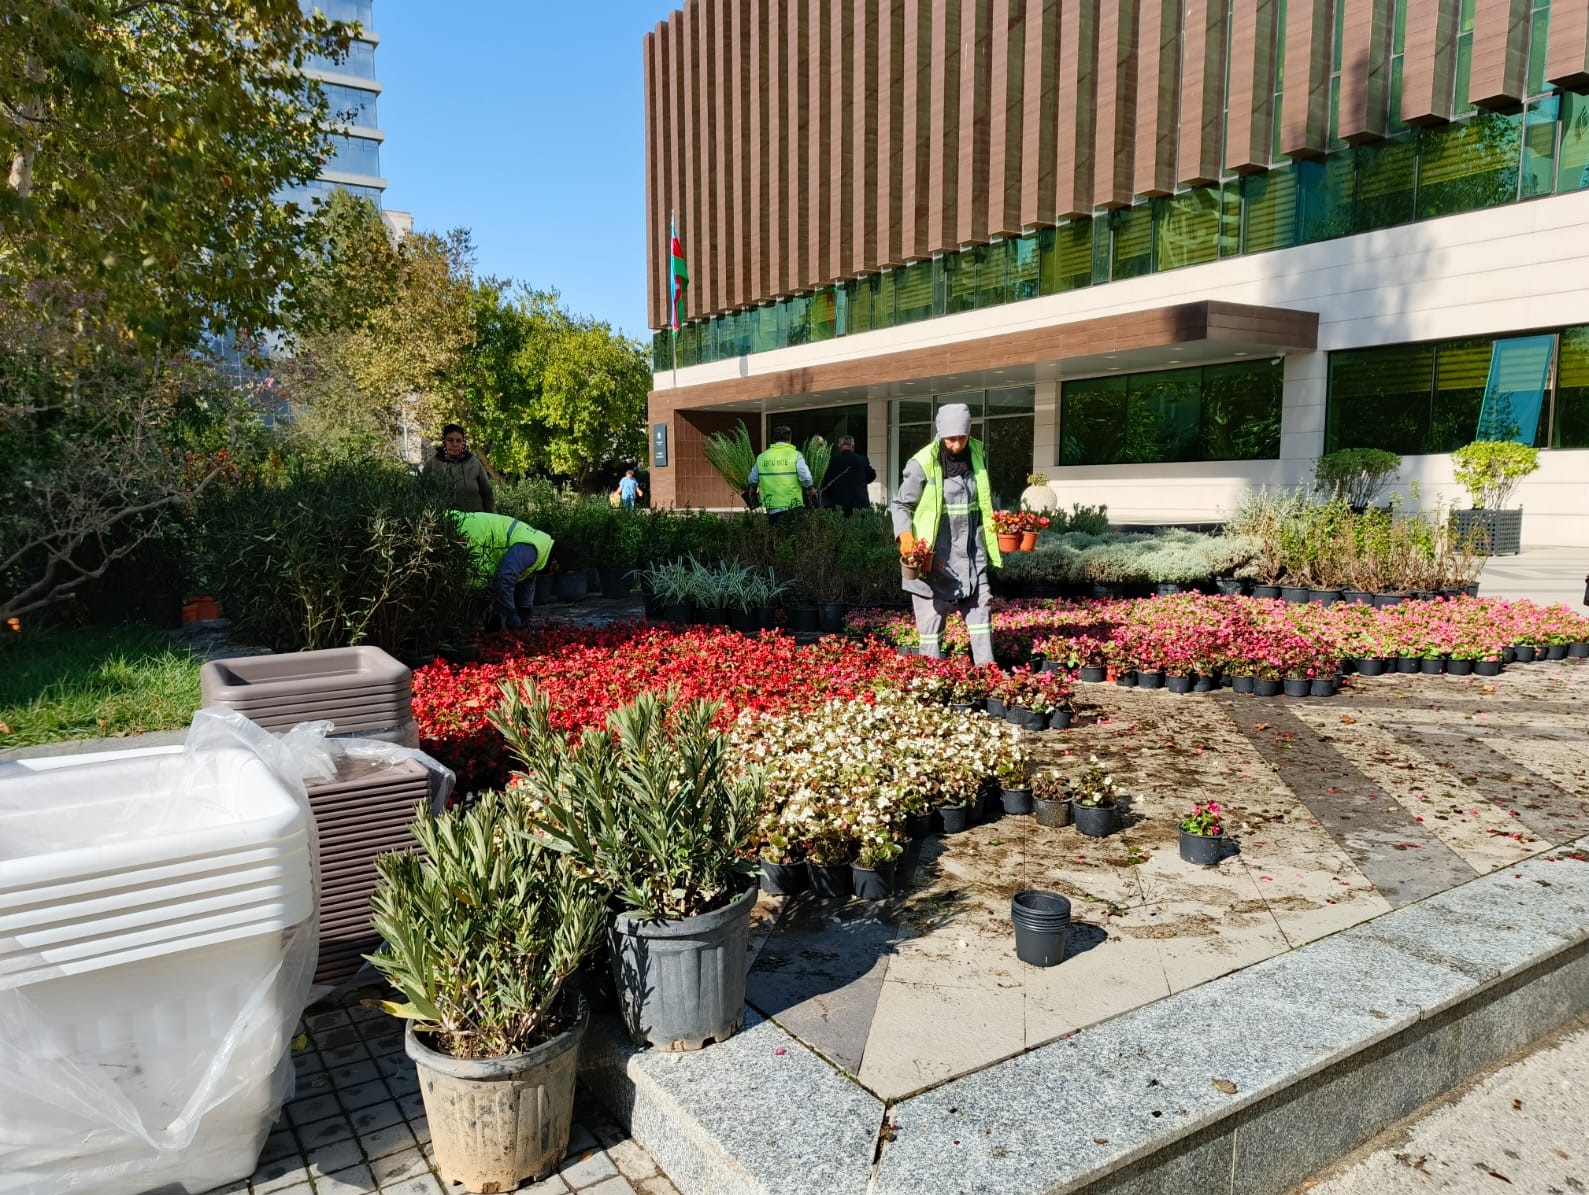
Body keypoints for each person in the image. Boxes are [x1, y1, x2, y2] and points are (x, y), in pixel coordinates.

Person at [890, 403, 1001, 667]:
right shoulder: (922, 463)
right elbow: (901, 504)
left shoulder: (977, 452)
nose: (956, 445)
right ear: (940, 434)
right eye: (951, 439)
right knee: (931, 616)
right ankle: (931, 675)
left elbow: (983, 499)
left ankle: (987, 670)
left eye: (961, 437)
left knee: (980, 606)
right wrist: (905, 536)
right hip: (933, 554)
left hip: (971, 550)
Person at [453, 511, 556, 631]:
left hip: (474, 533)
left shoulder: (541, 547)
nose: (552, 573)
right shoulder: (531, 548)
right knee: (472, 592)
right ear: (555, 563)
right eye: (554, 570)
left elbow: (526, 580)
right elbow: (504, 578)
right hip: (463, 530)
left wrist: (524, 613)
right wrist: (510, 614)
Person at [748, 425, 813, 525]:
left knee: (776, 537)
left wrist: (753, 489)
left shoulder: (762, 457)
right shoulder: (795, 455)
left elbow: (752, 480)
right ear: (789, 439)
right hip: (793, 506)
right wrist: (810, 489)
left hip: (771, 508)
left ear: (774, 439)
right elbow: (806, 478)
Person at [423, 424, 495, 513]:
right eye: (450, 440)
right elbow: (422, 494)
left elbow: (487, 494)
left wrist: (490, 516)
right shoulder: (432, 464)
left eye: (459, 441)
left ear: (463, 442)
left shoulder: (474, 463)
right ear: (444, 441)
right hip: (444, 521)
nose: (455, 444)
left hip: (475, 520)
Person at [824, 434, 876, 516]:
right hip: (859, 504)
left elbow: (826, 482)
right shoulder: (862, 459)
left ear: (839, 446)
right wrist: (860, 482)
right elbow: (872, 475)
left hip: (838, 505)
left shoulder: (832, 461)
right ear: (853, 446)